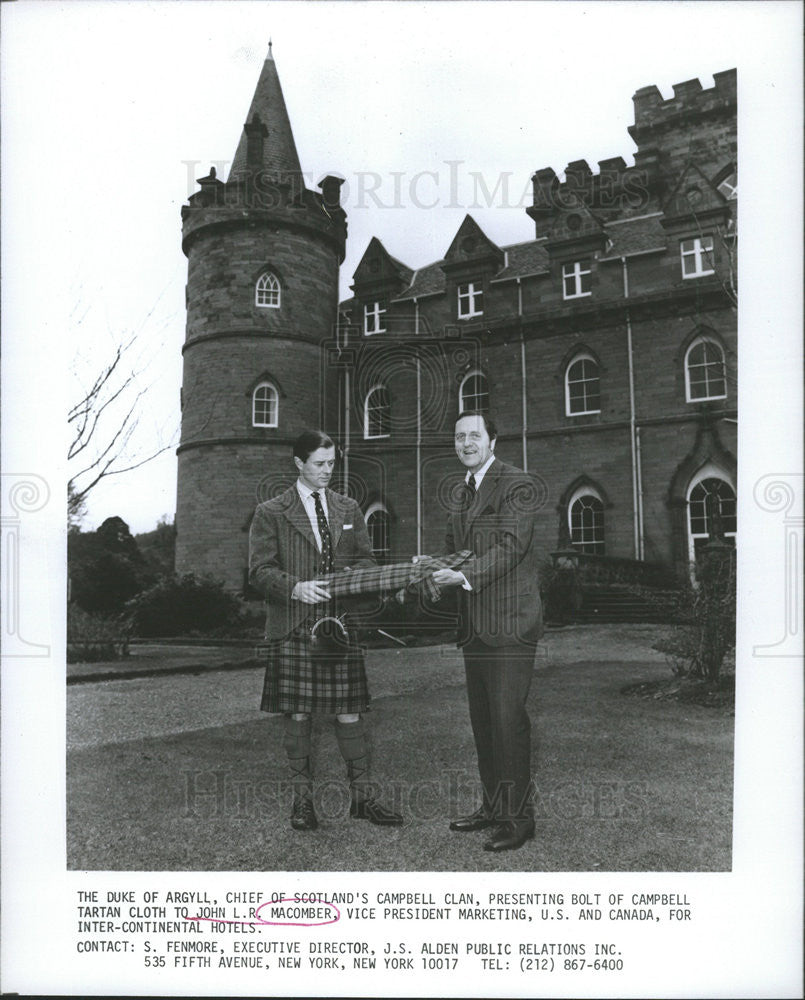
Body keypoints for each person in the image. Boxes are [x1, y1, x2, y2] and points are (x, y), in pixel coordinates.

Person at [248, 430, 403, 832]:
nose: (326, 471)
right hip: (295, 624)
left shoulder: (348, 508)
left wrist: (354, 576)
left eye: (331, 463)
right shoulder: (271, 511)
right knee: (298, 713)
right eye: (319, 463)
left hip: (340, 626)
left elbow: (368, 562)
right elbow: (259, 571)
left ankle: (363, 799)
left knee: (349, 712)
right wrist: (295, 587)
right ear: (298, 463)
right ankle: (302, 803)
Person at [432, 412, 543, 852]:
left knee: (507, 721)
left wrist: (461, 577)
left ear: (492, 440)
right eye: (459, 436)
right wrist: (429, 569)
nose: (465, 443)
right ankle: (494, 807)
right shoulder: (462, 490)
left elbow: (511, 546)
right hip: (475, 626)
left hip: (510, 624)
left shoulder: (517, 483)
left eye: (473, 435)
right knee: (484, 723)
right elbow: (453, 549)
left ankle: (519, 821)